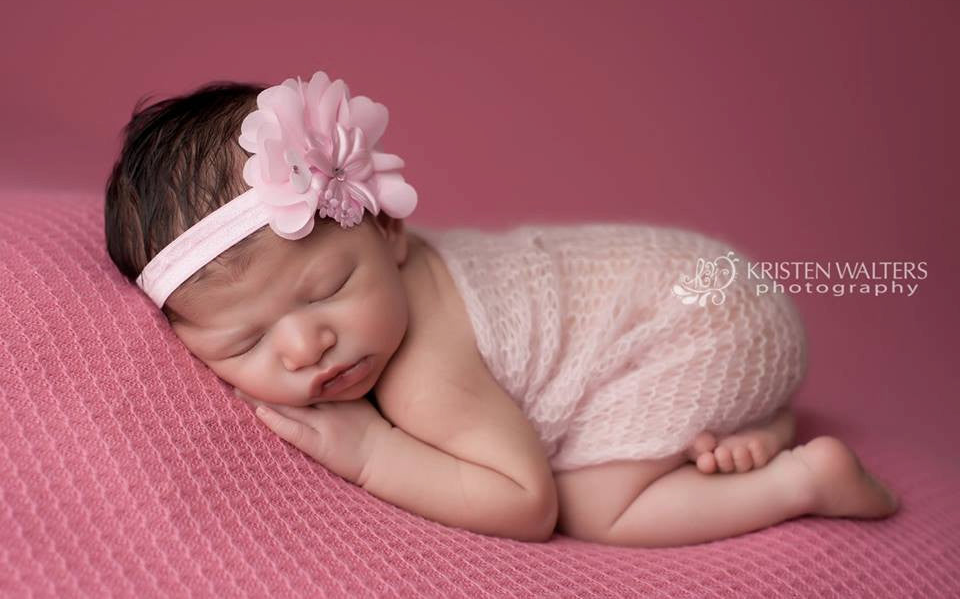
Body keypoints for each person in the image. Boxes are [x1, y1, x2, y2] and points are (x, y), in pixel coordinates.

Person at [104, 69, 899, 547]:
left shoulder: (425, 373)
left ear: (389, 229)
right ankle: (757, 424)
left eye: (328, 290)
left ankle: (801, 481)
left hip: (699, 322)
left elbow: (525, 502)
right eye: (246, 341)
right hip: (707, 283)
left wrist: (373, 454)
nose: (307, 344)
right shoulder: (377, 291)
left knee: (593, 506)